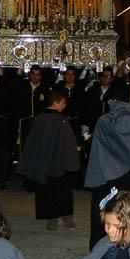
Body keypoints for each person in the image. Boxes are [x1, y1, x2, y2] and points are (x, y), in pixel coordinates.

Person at [84, 86, 130, 248]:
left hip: (104, 175)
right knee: (124, 214)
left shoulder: (105, 121)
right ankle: (125, 246)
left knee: (103, 215)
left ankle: (100, 250)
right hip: (126, 176)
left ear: (111, 101)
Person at [17, 87, 80, 230]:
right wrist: (72, 163)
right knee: (63, 192)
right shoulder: (61, 121)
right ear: (56, 103)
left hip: (43, 165)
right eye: (63, 102)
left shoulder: (38, 119)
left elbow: (32, 142)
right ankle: (67, 219)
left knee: (46, 192)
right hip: (59, 166)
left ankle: (51, 221)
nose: (65, 105)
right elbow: (69, 144)